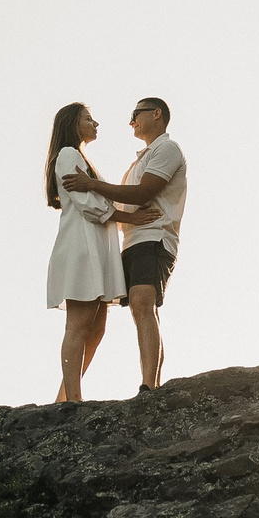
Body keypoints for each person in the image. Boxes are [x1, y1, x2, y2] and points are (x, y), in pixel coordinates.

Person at [60, 96, 185, 392]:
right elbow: (117, 204)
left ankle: (149, 386)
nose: (131, 121)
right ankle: (66, 394)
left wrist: (92, 184)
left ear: (156, 114)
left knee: (144, 303)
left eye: (135, 114)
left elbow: (143, 193)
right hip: (130, 243)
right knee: (111, 317)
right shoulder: (139, 160)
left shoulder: (167, 149)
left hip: (154, 238)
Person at [42, 101, 125, 401]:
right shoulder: (67, 155)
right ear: (73, 124)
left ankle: (64, 395)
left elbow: (100, 201)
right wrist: (128, 218)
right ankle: (72, 400)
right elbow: (89, 205)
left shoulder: (83, 159)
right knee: (78, 325)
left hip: (97, 248)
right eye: (89, 119)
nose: (96, 124)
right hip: (81, 247)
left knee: (97, 327)